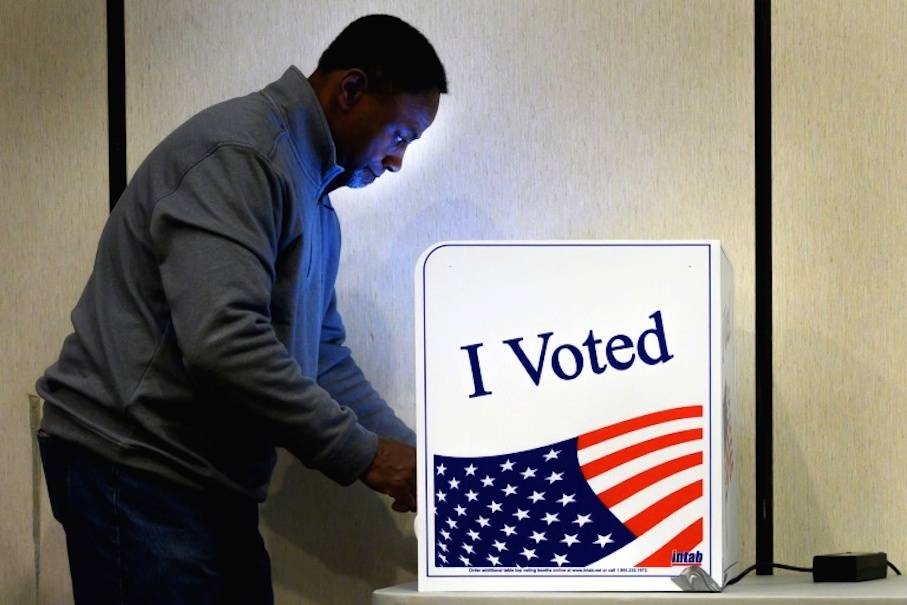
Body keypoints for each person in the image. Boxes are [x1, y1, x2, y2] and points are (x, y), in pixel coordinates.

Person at [35, 14, 446, 605]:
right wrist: (366, 456)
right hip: (137, 471)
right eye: (401, 136)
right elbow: (224, 343)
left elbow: (323, 357)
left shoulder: (313, 197)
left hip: (200, 484)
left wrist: (417, 457)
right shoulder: (242, 155)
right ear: (350, 90)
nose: (397, 161)